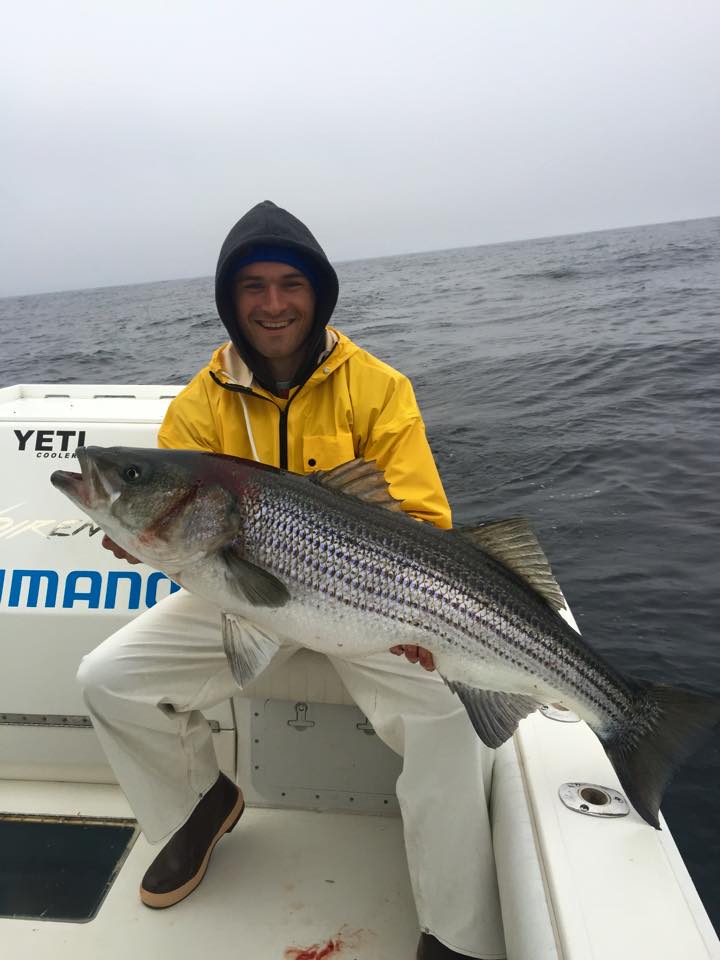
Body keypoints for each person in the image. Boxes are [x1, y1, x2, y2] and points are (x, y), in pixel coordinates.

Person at [77, 201, 506, 960]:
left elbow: (420, 517)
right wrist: (139, 539)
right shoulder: (199, 403)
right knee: (108, 678)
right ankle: (201, 807)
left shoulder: (377, 388)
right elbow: (180, 526)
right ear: (229, 300)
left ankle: (456, 931)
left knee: (449, 722)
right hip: (239, 596)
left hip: (368, 604)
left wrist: (418, 621)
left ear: (319, 293)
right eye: (251, 287)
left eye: (290, 284)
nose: (272, 304)